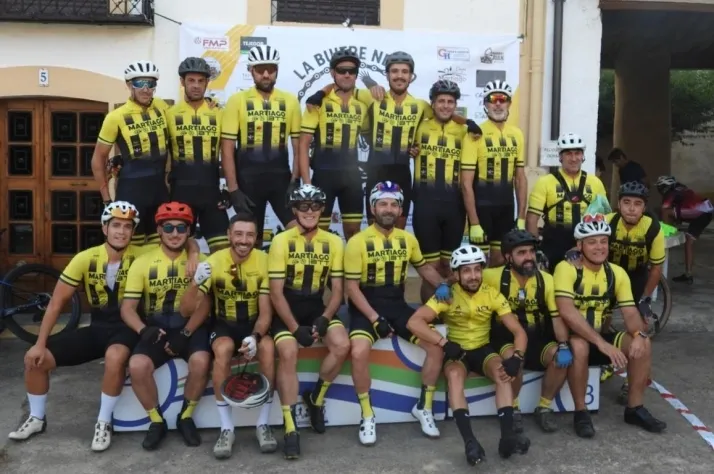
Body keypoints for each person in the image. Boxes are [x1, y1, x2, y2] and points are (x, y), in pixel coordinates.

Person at [8, 202, 143, 451]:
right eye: (116, 225)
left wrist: (191, 253)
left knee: (115, 357)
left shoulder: (144, 255)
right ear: (105, 228)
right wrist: (39, 344)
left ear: (133, 231)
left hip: (128, 328)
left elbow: (183, 244)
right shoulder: (85, 258)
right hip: (98, 327)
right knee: (35, 360)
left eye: (127, 227)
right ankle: (37, 418)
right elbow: (57, 303)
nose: (121, 232)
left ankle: (104, 422)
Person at [306, 50, 480, 229]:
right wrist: (320, 93)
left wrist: (468, 122)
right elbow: (342, 83)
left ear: (411, 76)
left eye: (405, 72)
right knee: (375, 230)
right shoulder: (373, 96)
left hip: (402, 174)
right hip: (375, 172)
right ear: (387, 74)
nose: (399, 76)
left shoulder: (420, 106)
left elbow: (444, 112)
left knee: (399, 231)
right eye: (395, 71)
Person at [345, 181, 450, 446]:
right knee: (358, 352)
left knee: (436, 347)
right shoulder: (357, 241)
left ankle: (424, 407)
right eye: (383, 204)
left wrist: (444, 285)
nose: (388, 209)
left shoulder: (408, 239)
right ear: (372, 208)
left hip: (397, 305)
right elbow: (351, 288)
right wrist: (374, 319)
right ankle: (367, 414)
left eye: (394, 204)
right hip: (366, 308)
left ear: (401, 210)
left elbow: (424, 268)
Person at [407, 244, 530, 465]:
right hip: (458, 352)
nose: (473, 276)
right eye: (466, 271)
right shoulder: (447, 295)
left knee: (503, 373)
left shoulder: (491, 294)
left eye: (477, 269)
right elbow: (414, 322)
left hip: (483, 349)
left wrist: (517, 357)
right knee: (454, 376)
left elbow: (518, 331)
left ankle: (507, 436)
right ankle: (470, 442)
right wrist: (443, 343)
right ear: (456, 274)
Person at [553, 214, 667, 437]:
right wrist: (602, 344)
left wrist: (639, 334)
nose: (599, 247)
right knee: (580, 345)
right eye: (592, 242)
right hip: (571, 339)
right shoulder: (566, 269)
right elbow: (567, 312)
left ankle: (634, 408)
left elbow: (630, 312)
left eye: (603, 241)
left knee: (642, 343)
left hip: (599, 338)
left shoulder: (617, 273)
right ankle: (581, 412)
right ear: (580, 245)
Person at [179, 213, 276, 458]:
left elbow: (266, 313)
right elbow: (186, 310)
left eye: (250, 235)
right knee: (222, 350)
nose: (244, 240)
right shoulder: (214, 261)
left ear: (256, 237)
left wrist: (255, 336)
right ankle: (226, 428)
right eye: (239, 234)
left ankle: (263, 424)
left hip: (254, 323)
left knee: (267, 348)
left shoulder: (265, 261)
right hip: (224, 324)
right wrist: (195, 283)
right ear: (229, 235)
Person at [267, 184, 350, 460]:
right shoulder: (281, 240)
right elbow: (276, 293)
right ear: (294, 210)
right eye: (303, 206)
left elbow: (337, 290)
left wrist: (325, 318)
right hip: (286, 309)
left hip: (316, 306)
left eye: (315, 206)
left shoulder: (334, 242)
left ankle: (316, 398)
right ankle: (291, 428)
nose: (310, 211)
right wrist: (294, 329)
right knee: (288, 351)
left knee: (342, 345)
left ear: (323, 209)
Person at [120, 202, 212, 451]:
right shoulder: (143, 262)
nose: (174, 233)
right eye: (168, 227)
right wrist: (142, 330)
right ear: (159, 230)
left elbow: (203, 306)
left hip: (189, 326)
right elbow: (127, 308)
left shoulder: (202, 261)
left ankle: (186, 417)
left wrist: (185, 333)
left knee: (201, 361)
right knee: (137, 365)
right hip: (156, 327)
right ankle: (156, 421)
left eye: (181, 228)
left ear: (189, 231)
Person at [483, 230, 573, 433]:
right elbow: (463, 280)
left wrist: (563, 344)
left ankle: (544, 407)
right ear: (508, 257)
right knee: (513, 360)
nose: (529, 257)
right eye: (521, 253)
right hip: (506, 339)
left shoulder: (546, 279)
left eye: (531, 252)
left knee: (560, 358)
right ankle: (513, 408)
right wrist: (444, 285)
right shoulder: (491, 276)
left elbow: (556, 317)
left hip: (537, 338)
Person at [221, 45, 300, 247]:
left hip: (281, 181)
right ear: (251, 71)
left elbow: (298, 146)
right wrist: (233, 189)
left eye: (271, 69)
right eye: (260, 69)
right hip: (248, 183)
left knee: (298, 234)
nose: (266, 74)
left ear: (277, 70)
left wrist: (295, 180)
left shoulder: (290, 101)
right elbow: (227, 148)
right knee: (250, 242)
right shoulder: (237, 101)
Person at [91, 61, 171, 247]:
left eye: (150, 83)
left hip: (159, 191)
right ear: (129, 85)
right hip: (131, 193)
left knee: (159, 249)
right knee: (130, 250)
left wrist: (209, 102)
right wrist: (106, 200)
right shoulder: (115, 117)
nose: (145, 89)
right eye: (139, 83)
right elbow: (98, 159)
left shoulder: (161, 107)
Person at [604, 181, 665, 404]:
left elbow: (656, 268)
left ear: (644, 207)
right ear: (618, 204)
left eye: (637, 204)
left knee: (640, 328)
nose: (631, 208)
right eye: (626, 202)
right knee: (601, 319)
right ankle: (604, 362)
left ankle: (633, 380)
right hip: (609, 274)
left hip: (637, 277)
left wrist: (645, 298)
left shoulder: (653, 228)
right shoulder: (608, 222)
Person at [412, 80, 472, 302]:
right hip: (425, 204)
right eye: (441, 101)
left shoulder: (465, 132)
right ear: (433, 103)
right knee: (430, 267)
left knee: (449, 265)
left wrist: (469, 122)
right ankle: (428, 316)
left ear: (455, 105)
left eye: (450, 102)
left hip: (454, 206)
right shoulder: (420, 126)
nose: (445, 106)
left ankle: (447, 314)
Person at [298, 50, 367, 239]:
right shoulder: (317, 103)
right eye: (342, 70)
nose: (347, 75)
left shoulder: (362, 104)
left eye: (352, 71)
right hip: (323, 177)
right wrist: (307, 184)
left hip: (352, 179)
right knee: (317, 234)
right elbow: (303, 145)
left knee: (354, 233)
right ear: (332, 73)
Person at [461, 80, 527, 267]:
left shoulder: (517, 134)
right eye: (492, 99)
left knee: (500, 261)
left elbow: (520, 178)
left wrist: (521, 217)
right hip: (482, 208)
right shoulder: (475, 133)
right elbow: (466, 183)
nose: (498, 104)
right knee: (478, 263)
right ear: (485, 104)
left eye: (502, 99)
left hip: (506, 207)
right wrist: (474, 222)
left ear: (509, 103)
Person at [167, 57, 229, 253]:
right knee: (180, 253)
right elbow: (161, 154)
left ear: (207, 83)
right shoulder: (169, 114)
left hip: (212, 194)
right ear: (182, 82)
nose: (196, 85)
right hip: (180, 195)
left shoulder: (219, 112)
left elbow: (229, 153)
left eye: (201, 81)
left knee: (223, 252)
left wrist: (229, 189)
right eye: (191, 80)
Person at [527, 133, 607, 272]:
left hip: (585, 242)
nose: (574, 158)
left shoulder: (595, 183)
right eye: (568, 154)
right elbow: (531, 219)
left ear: (583, 156)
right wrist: (535, 249)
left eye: (577, 153)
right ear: (560, 157)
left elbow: (604, 219)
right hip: (553, 242)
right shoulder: (545, 182)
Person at [656, 175, 713, 283]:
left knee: (665, 212)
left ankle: (666, 234)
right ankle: (688, 274)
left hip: (699, 211)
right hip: (708, 210)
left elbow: (664, 209)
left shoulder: (670, 193)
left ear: (664, 187)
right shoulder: (681, 188)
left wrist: (664, 226)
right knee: (689, 241)